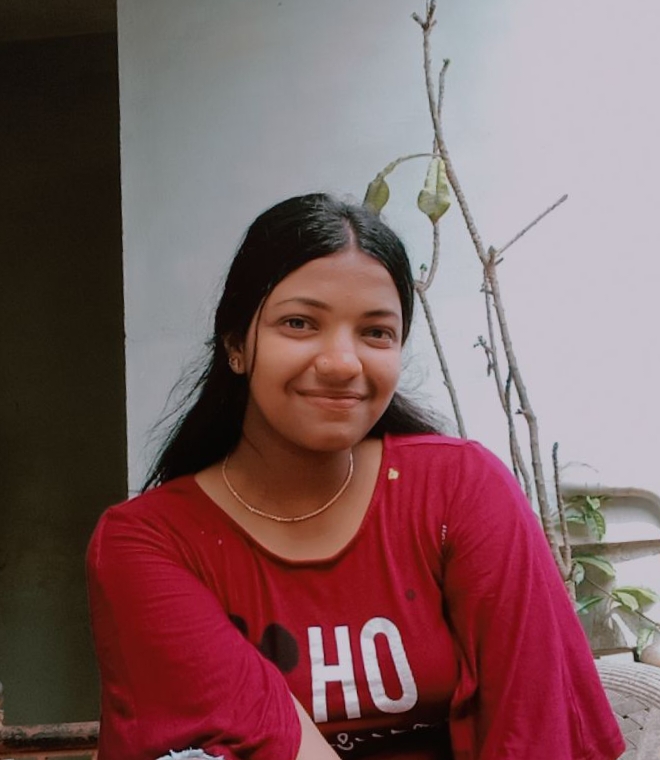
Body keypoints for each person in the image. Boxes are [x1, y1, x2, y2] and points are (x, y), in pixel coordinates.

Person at [87, 193, 625, 760]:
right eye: (299, 323)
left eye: (376, 332)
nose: (342, 363)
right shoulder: (145, 543)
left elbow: (537, 726)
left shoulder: (461, 489)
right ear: (236, 346)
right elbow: (268, 741)